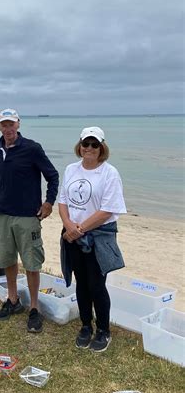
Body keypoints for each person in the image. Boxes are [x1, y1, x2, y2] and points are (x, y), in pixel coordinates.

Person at [0, 108, 59, 333]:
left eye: (11, 124)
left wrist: (48, 203)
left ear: (18, 124)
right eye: (3, 124)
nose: (7, 128)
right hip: (4, 214)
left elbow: (53, 175)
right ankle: (13, 300)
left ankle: (34, 308)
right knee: (8, 259)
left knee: (31, 263)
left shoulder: (32, 148)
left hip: (28, 216)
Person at [58, 126, 126, 353]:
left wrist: (80, 229)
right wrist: (69, 226)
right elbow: (63, 201)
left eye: (94, 144)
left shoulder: (109, 173)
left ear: (101, 148)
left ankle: (103, 330)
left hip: (97, 237)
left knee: (97, 285)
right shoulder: (70, 169)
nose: (89, 148)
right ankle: (86, 325)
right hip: (72, 235)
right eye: (85, 144)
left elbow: (108, 210)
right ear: (79, 146)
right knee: (81, 283)